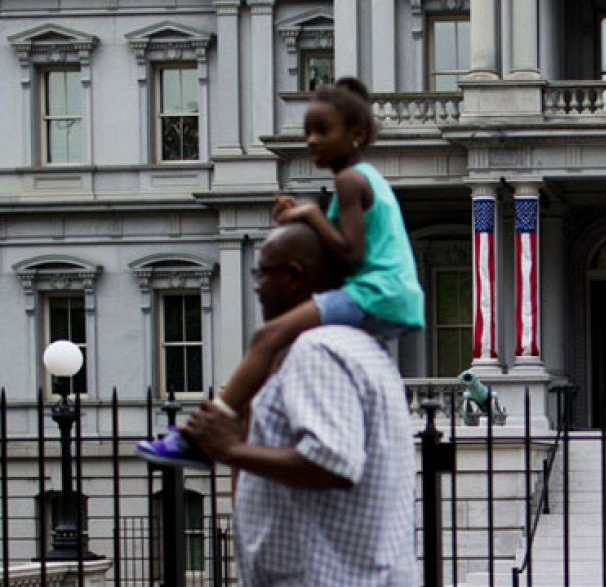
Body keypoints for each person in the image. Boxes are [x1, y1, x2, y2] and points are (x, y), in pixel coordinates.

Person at [185, 221, 418, 587]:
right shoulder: (367, 352)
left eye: (261, 273)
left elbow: (334, 461)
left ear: (293, 279)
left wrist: (231, 447)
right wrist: (243, 453)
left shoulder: (317, 352)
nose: (257, 285)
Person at [137, 77, 424, 469]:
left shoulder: (349, 180)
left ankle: (201, 434)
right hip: (389, 294)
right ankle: (253, 422)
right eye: (307, 131)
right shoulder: (365, 178)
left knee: (268, 335)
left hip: (378, 292)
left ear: (356, 134)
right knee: (286, 347)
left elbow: (351, 254)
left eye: (323, 130)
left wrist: (309, 214)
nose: (311, 141)